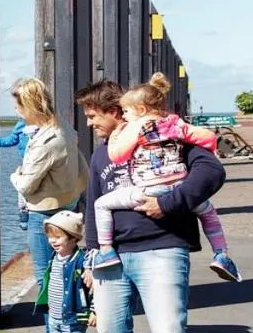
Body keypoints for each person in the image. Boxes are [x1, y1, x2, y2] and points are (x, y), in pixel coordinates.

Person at [75, 79, 225, 333]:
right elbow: (93, 208)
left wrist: (170, 202)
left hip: (161, 247)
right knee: (111, 332)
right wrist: (91, 259)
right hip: (112, 257)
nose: (91, 124)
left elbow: (212, 172)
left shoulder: (166, 135)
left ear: (116, 112)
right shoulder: (100, 155)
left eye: (94, 116)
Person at [93, 73, 241, 282]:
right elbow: (208, 137)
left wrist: (116, 136)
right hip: (178, 186)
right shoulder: (175, 124)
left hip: (147, 190)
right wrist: (206, 151)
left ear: (141, 110)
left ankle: (106, 250)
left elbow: (117, 156)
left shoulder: (136, 127)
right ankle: (221, 254)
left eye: (126, 111)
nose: (124, 116)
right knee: (208, 212)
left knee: (101, 205)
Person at [8, 78, 87, 333]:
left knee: (46, 279)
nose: (16, 111)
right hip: (65, 202)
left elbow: (27, 185)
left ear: (29, 105)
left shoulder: (45, 141)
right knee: (58, 274)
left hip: (45, 211)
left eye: (18, 106)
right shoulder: (62, 126)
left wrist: (15, 175)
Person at [36, 210, 93, 333]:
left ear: (73, 237)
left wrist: (94, 310)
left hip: (72, 317)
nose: (53, 241)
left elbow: (94, 288)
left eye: (58, 237)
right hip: (54, 315)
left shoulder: (81, 260)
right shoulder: (55, 257)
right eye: (50, 236)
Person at [0, 116, 39, 229]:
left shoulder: (45, 123)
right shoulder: (21, 124)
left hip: (41, 162)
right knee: (23, 188)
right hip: (27, 164)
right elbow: (12, 139)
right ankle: (24, 215)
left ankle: (37, 215)